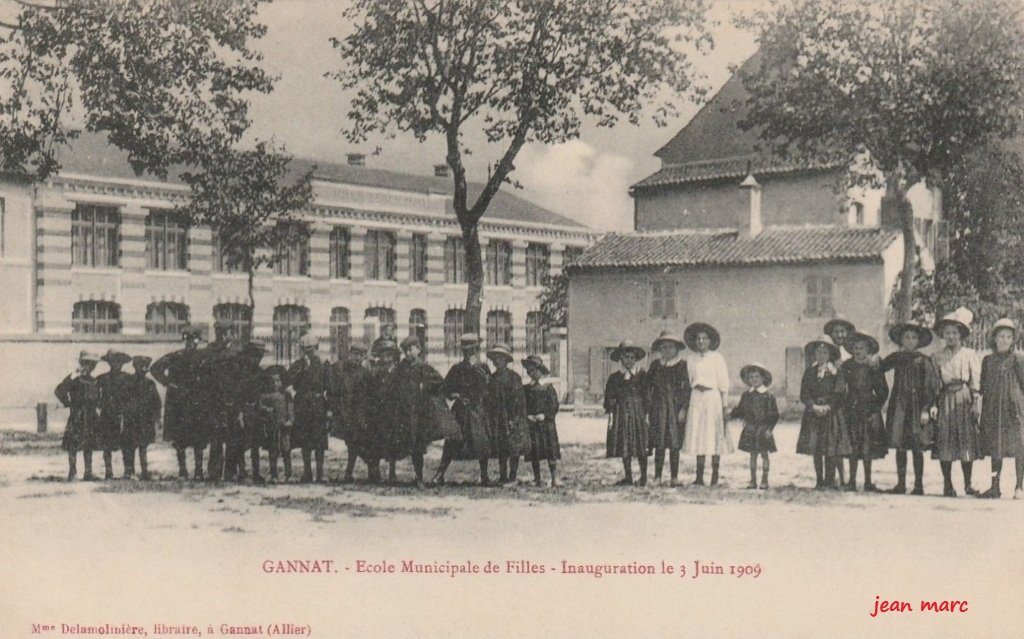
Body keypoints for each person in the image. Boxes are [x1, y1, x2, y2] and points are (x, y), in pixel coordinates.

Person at [881, 322, 940, 495]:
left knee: (916, 445)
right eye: (906, 337)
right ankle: (900, 484)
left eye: (914, 337)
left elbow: (930, 386)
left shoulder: (923, 360)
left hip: (916, 406)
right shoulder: (896, 357)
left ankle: (918, 485)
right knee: (900, 444)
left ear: (919, 341)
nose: (910, 340)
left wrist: (926, 408)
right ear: (901, 340)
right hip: (899, 405)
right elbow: (879, 368)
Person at [930, 307, 983, 497]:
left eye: (954, 332)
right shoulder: (937, 356)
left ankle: (968, 484)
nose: (951, 336)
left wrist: (975, 401)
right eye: (947, 333)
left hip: (964, 398)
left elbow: (975, 381)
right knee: (946, 440)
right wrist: (934, 404)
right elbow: (935, 383)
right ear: (943, 335)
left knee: (965, 441)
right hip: (945, 400)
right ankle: (947, 485)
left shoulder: (969, 354)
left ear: (961, 334)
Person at [382, 336, 445, 487]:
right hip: (401, 412)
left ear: (419, 349)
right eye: (405, 351)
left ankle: (419, 477)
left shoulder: (423, 367)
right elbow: (391, 385)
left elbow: (439, 382)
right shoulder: (400, 368)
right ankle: (392, 473)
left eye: (411, 349)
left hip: (417, 413)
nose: (408, 353)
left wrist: (426, 387)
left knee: (417, 446)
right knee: (395, 443)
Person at [432, 334, 492, 485]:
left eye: (472, 350)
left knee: (481, 442)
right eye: (466, 351)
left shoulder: (483, 368)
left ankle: (484, 475)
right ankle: (440, 474)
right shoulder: (456, 369)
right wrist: (454, 395)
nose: (469, 354)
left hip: (477, 410)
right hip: (461, 410)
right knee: (452, 441)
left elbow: (489, 389)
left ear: (477, 350)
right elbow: (445, 388)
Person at [151, 325, 207, 480]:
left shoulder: (204, 357)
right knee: (180, 437)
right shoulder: (175, 356)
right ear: (184, 341)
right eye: (188, 340)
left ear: (198, 341)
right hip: (179, 402)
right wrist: (168, 382)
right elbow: (155, 368)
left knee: (198, 437)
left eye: (193, 340)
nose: (190, 344)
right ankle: (183, 470)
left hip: (197, 400)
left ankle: (198, 471)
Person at [977, 318, 1024, 499]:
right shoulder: (988, 360)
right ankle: (994, 486)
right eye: (1000, 336)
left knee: (1019, 445)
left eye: (1008, 337)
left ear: (1013, 340)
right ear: (994, 338)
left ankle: (1018, 486)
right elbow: (983, 386)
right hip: (993, 408)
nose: (1004, 340)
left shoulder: (1018, 359)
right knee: (995, 446)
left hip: (1014, 409)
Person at [796, 336, 852, 489]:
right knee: (817, 448)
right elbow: (804, 393)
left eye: (824, 353)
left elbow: (840, 393)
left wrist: (828, 407)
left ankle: (830, 480)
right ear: (814, 355)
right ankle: (819, 480)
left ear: (829, 355)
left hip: (831, 415)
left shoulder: (836, 373)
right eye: (818, 353)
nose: (821, 356)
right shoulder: (809, 373)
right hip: (814, 414)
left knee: (830, 447)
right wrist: (813, 406)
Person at [682, 322, 733, 486]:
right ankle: (699, 476)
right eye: (698, 339)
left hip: (713, 399)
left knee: (714, 434)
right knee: (699, 435)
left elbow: (724, 384)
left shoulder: (717, 358)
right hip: (696, 397)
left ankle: (715, 476)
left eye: (704, 339)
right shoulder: (691, 359)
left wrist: (725, 406)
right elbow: (690, 380)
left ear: (710, 341)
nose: (701, 342)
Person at [840, 332, 889, 492]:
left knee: (868, 447)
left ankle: (868, 481)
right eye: (855, 348)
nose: (858, 351)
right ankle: (852, 481)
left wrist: (875, 407)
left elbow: (883, 390)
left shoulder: (873, 368)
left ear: (868, 350)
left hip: (869, 411)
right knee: (853, 446)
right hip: (852, 410)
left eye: (861, 348)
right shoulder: (847, 367)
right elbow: (840, 388)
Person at [200, 324, 245, 482]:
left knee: (232, 438)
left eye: (226, 333)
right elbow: (205, 375)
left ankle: (229, 472)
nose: (224, 336)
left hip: (231, 398)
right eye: (221, 333)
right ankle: (214, 472)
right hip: (215, 400)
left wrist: (237, 399)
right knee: (216, 437)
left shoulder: (237, 351)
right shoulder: (211, 350)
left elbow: (240, 377)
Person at [646, 330, 690, 486]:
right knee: (659, 442)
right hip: (658, 408)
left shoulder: (682, 365)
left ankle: (674, 477)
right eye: (664, 347)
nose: (667, 350)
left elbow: (687, 390)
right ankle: (657, 477)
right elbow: (648, 386)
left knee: (674, 443)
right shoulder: (655, 365)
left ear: (677, 349)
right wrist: (649, 408)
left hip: (675, 409)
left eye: (671, 347)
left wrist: (684, 409)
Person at [603, 340, 649, 486]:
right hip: (621, 413)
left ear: (635, 359)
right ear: (620, 359)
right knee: (625, 445)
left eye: (631, 357)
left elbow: (647, 396)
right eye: (625, 357)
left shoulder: (642, 375)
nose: (628, 360)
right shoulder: (615, 378)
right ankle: (628, 476)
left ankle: (644, 477)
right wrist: (611, 413)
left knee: (641, 444)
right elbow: (609, 397)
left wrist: (647, 414)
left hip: (638, 413)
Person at [484, 343, 530, 485]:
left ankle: (513, 476)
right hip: (497, 418)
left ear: (506, 360)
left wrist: (514, 418)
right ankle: (503, 475)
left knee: (513, 447)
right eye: (495, 359)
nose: (497, 362)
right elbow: (488, 399)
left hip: (511, 417)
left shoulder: (514, 378)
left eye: (500, 358)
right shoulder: (492, 379)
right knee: (501, 447)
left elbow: (518, 400)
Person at [730, 363, 779, 489]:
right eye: (751, 377)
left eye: (757, 377)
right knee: (752, 454)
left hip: (763, 430)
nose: (754, 380)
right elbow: (741, 410)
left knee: (764, 454)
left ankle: (765, 480)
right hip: (750, 429)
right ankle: (752, 480)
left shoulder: (768, 396)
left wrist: (769, 429)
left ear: (763, 379)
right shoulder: (746, 395)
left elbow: (774, 415)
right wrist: (731, 414)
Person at [55, 351, 102, 481]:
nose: (90, 367)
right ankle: (72, 472)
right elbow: (59, 391)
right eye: (87, 364)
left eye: (93, 365)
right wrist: (68, 403)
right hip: (77, 415)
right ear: (81, 364)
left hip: (91, 416)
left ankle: (88, 472)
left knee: (89, 445)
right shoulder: (74, 379)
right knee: (73, 445)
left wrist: (97, 406)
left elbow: (97, 397)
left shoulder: (94, 381)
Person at [329, 344, 373, 482]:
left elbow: (369, 394)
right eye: (355, 354)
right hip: (346, 412)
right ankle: (351, 471)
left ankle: (369, 471)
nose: (357, 358)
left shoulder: (365, 373)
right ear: (350, 354)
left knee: (360, 442)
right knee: (351, 442)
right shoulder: (341, 369)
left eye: (361, 355)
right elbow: (333, 390)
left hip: (360, 413)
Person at [289, 333, 329, 483]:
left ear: (316, 348)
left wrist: (328, 406)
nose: (308, 352)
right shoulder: (298, 365)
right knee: (305, 441)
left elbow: (328, 385)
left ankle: (320, 473)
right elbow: (290, 382)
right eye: (305, 350)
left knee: (319, 441)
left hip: (318, 405)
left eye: (311, 349)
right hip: (303, 406)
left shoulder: (323, 364)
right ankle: (307, 472)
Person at [522, 355, 562, 487]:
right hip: (533, 425)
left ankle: (554, 477)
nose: (532, 373)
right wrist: (528, 416)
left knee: (550, 451)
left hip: (547, 425)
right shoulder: (527, 389)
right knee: (535, 451)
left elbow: (554, 405)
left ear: (540, 370)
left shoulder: (548, 387)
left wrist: (545, 415)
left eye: (534, 370)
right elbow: (524, 406)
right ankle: (537, 478)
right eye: (529, 371)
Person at [366, 339, 401, 483]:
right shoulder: (375, 373)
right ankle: (375, 472)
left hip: (393, 412)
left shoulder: (399, 372)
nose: (386, 359)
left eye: (389, 356)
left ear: (394, 357)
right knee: (375, 442)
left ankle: (392, 472)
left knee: (393, 442)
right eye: (384, 356)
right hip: (378, 413)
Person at [97, 349, 134, 480]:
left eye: (119, 362)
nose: (116, 364)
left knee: (127, 444)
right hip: (107, 414)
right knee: (107, 445)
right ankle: (108, 471)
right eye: (113, 361)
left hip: (124, 414)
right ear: (109, 363)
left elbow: (134, 396)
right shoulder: (102, 379)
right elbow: (95, 395)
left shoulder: (129, 379)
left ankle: (128, 471)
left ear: (123, 363)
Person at [123, 356, 161, 480]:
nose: (143, 370)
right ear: (135, 367)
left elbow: (157, 402)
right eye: (140, 366)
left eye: (145, 367)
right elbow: (122, 399)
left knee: (143, 446)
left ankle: (144, 471)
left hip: (145, 419)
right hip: (131, 419)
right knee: (130, 446)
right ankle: (130, 471)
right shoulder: (128, 381)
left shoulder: (150, 383)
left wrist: (157, 418)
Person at [237, 342, 267, 483]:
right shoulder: (242, 373)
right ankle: (242, 472)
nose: (257, 360)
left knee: (256, 444)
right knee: (242, 443)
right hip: (245, 410)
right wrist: (240, 412)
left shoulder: (261, 373)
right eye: (254, 356)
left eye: (259, 357)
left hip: (257, 410)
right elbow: (238, 394)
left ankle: (256, 473)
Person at [258, 367, 294, 483]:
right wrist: (267, 410)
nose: (275, 384)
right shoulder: (266, 396)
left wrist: (290, 420)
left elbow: (290, 409)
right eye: (272, 381)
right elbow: (260, 406)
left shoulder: (286, 395)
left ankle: (288, 474)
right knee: (273, 451)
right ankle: (273, 474)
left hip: (284, 427)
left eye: (278, 381)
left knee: (286, 451)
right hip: (272, 427)